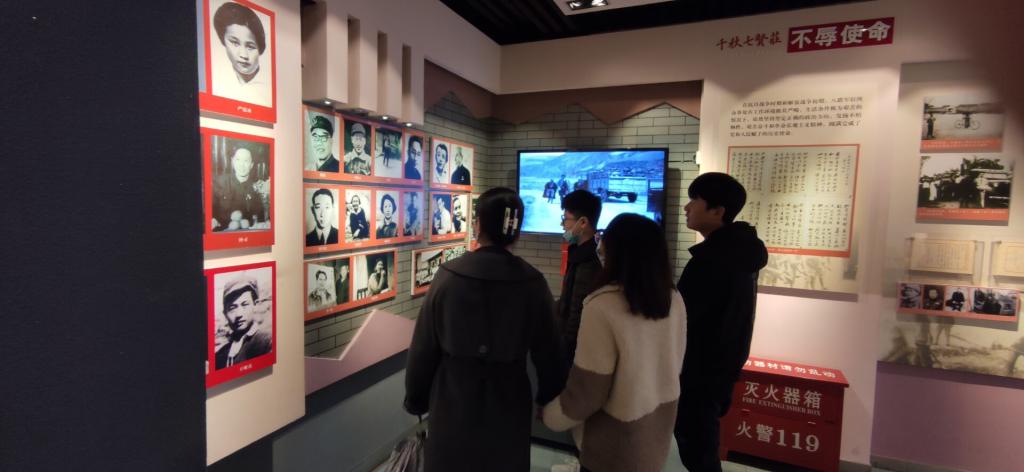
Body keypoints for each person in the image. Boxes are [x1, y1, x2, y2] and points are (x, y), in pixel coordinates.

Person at [405, 187, 566, 472]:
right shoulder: (533, 283)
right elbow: (550, 352)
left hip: (453, 395)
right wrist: (548, 396)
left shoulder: (448, 276)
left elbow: (424, 347)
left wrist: (416, 399)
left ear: (478, 224)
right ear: (516, 232)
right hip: (509, 397)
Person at [543, 213, 686, 472]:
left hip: (611, 446)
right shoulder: (673, 299)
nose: (600, 247)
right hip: (655, 435)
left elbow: (588, 391)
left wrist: (550, 415)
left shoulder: (603, 305)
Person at [674, 172, 768, 472]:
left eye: (695, 200)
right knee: (701, 443)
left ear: (718, 211)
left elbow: (687, 316)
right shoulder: (740, 251)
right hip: (719, 367)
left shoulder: (714, 260)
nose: (687, 207)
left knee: (698, 446)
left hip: (701, 368)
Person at [556, 190, 603, 361]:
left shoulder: (590, 259)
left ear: (582, 222)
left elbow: (578, 310)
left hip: (576, 350)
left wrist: (565, 348)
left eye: (565, 219)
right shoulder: (578, 252)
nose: (562, 225)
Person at [212, 1, 270, 105]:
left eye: (250, 46)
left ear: (260, 48)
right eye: (235, 43)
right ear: (223, 40)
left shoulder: (267, 88)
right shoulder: (219, 83)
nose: (243, 55)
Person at [215, 274, 272, 369]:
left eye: (245, 305)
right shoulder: (219, 355)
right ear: (225, 313)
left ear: (255, 305)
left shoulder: (267, 341)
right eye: (232, 308)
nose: (239, 314)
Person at [212, 145, 269, 231]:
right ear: (233, 162)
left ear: (251, 165)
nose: (242, 165)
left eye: (246, 161)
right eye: (238, 160)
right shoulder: (219, 182)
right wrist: (212, 219)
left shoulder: (258, 188)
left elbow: (261, 219)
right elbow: (210, 210)